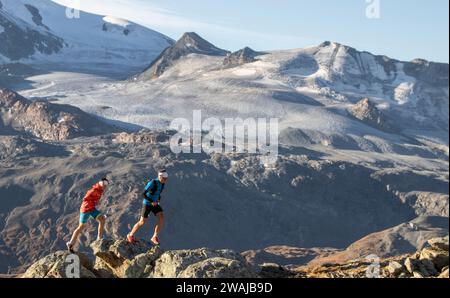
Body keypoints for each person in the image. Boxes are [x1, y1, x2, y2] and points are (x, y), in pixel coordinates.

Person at [66, 178, 109, 253]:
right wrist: (91, 202)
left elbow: (94, 199)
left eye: (106, 185)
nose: (105, 186)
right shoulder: (93, 190)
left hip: (91, 208)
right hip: (86, 209)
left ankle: (99, 238)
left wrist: (95, 202)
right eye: (104, 184)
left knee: (102, 220)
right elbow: (85, 199)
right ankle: (71, 243)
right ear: (101, 183)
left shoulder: (100, 191)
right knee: (81, 227)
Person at [127, 169, 168, 245]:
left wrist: (158, 199)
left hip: (155, 204)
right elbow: (143, 194)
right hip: (147, 203)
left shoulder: (162, 184)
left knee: (161, 217)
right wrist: (151, 201)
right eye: (164, 178)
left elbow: (158, 193)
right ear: (160, 177)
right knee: (142, 221)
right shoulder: (152, 183)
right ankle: (130, 235)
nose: (165, 180)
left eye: (166, 179)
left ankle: (154, 237)